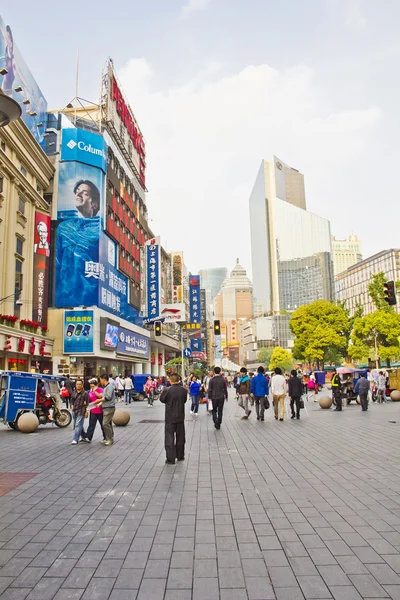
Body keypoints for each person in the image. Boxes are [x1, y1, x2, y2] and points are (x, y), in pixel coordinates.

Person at [160, 373, 188, 464]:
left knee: (169, 437)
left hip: (170, 416)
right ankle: (180, 455)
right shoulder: (183, 390)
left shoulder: (167, 390)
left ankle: (170, 458)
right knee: (180, 437)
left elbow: (162, 400)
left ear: (170, 380)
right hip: (180, 416)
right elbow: (184, 400)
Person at [95, 374, 116, 446]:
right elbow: (105, 398)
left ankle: (110, 439)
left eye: (100, 380)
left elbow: (108, 397)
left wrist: (99, 400)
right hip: (106, 407)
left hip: (109, 407)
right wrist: (100, 403)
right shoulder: (106, 387)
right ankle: (108, 438)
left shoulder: (109, 387)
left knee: (105, 423)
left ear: (104, 379)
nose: (100, 382)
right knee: (108, 423)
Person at [70, 380, 88, 445]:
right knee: (78, 424)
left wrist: (86, 411)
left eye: (80, 384)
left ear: (82, 385)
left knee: (77, 425)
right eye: (77, 384)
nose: (78, 385)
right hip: (74, 410)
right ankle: (84, 436)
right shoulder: (73, 392)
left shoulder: (85, 393)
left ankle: (75, 439)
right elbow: (71, 400)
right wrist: (72, 406)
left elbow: (87, 403)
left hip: (81, 410)